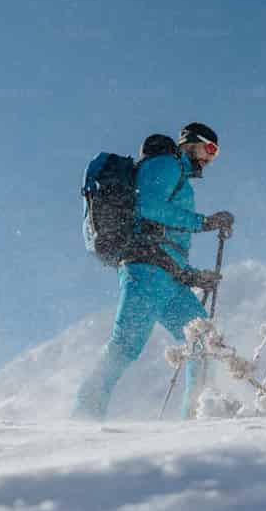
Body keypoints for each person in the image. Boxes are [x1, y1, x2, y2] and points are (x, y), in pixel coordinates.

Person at [73, 123, 235, 420]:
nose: (211, 159)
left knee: (203, 342)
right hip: (145, 272)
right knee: (126, 345)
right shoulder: (166, 163)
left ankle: (198, 420)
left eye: (216, 154)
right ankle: (82, 416)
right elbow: (147, 206)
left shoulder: (180, 178)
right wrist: (204, 222)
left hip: (168, 276)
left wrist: (192, 276)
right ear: (190, 144)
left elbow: (164, 240)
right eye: (210, 149)